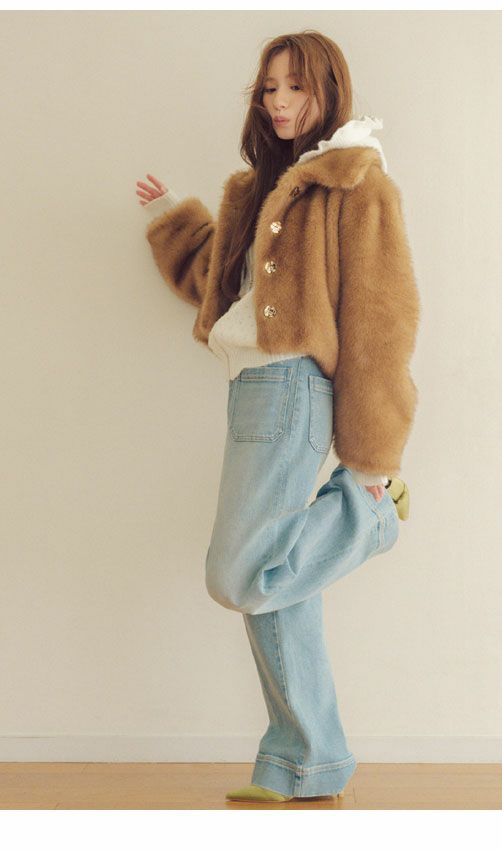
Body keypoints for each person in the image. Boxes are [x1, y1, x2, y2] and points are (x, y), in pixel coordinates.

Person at [135, 30, 420, 804]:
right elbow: (222, 288)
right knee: (273, 582)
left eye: (296, 86)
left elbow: (381, 322)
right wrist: (171, 218)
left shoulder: (354, 182)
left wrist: (372, 458)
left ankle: (370, 514)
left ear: (329, 88)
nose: (281, 101)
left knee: (237, 574)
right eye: (269, 88)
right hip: (248, 389)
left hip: (292, 386)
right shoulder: (260, 187)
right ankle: (305, 761)